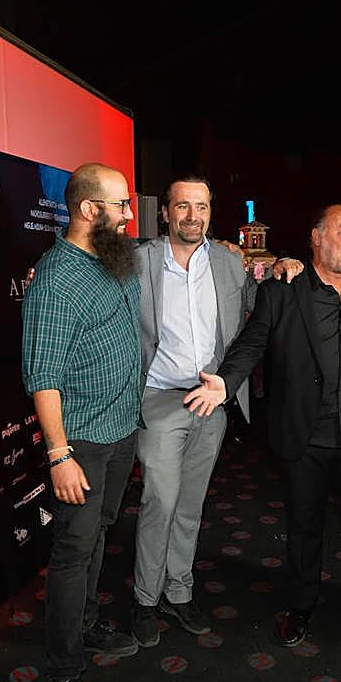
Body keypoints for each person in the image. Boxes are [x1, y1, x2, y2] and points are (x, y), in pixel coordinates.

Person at [184, 202, 341, 658]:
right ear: (316, 238)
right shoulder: (284, 289)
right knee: (303, 526)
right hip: (305, 435)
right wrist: (225, 380)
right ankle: (301, 604)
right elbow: (253, 341)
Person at [21, 162, 141, 682]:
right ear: (90, 210)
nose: (128, 214)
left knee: (99, 535)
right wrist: (59, 454)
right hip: (83, 444)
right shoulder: (54, 279)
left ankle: (89, 625)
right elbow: (42, 376)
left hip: (122, 434)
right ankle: (64, 677)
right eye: (121, 205)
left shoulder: (115, 260)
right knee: (73, 550)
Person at [130, 176, 256, 646]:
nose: (192, 216)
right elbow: (86, 262)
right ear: (165, 212)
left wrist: (285, 265)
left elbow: (254, 318)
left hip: (211, 398)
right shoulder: (139, 260)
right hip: (158, 397)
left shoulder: (229, 263)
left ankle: (178, 592)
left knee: (190, 504)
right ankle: (145, 598)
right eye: (182, 206)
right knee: (159, 500)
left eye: (201, 206)